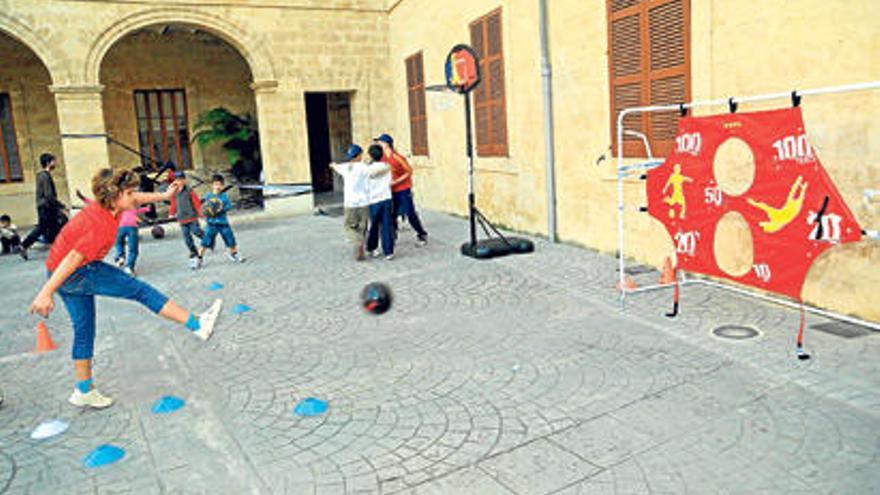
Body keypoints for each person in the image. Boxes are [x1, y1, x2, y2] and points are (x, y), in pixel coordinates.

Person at [28, 168, 222, 410]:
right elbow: (72, 259)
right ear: (114, 194)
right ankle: (196, 324)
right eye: (129, 192)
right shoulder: (99, 224)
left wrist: (163, 196)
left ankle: (83, 389)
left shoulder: (113, 205)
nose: (135, 196)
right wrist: (45, 292)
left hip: (59, 269)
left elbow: (138, 198)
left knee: (84, 328)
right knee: (138, 290)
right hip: (74, 272)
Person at [374, 134, 428, 246]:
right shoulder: (382, 158)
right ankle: (393, 235)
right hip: (390, 190)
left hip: (403, 189)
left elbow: (409, 171)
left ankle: (421, 234)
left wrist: (396, 181)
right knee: (392, 214)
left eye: (380, 142)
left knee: (410, 213)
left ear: (386, 143)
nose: (378, 143)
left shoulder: (397, 157)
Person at [20, 153, 67, 260]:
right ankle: (24, 245)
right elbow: (49, 195)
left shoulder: (42, 175)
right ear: (48, 163)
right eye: (53, 161)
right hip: (46, 207)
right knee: (45, 228)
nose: (55, 163)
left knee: (52, 228)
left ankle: (58, 250)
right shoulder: (45, 176)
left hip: (45, 206)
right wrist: (60, 205)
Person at [330, 144, 371, 260]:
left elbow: (335, 166)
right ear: (358, 156)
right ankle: (362, 244)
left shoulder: (345, 167)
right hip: (363, 202)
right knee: (362, 227)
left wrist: (332, 165)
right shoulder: (364, 167)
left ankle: (357, 243)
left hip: (350, 203)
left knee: (349, 226)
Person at [197, 174, 245, 264]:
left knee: (230, 239)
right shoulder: (208, 196)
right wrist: (208, 212)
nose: (217, 187)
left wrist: (220, 208)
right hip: (211, 224)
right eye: (215, 184)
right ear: (212, 185)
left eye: (220, 184)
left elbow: (228, 206)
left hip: (223, 223)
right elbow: (204, 209)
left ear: (222, 186)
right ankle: (199, 258)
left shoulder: (224, 196)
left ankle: (234, 254)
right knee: (205, 241)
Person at [364, 144, 395, 260]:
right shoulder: (387, 167)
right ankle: (389, 251)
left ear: (370, 155)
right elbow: (390, 182)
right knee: (387, 225)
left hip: (374, 200)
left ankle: (372, 248)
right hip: (386, 198)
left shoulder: (368, 169)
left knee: (374, 226)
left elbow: (365, 186)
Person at [168, 171, 204, 269]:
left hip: (191, 216)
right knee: (187, 238)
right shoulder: (174, 192)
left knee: (196, 231)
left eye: (180, 180)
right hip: (182, 218)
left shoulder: (189, 190)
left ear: (184, 180)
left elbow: (196, 202)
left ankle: (207, 239)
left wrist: (200, 212)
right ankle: (194, 252)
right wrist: (171, 213)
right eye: (176, 180)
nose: (178, 182)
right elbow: (173, 204)